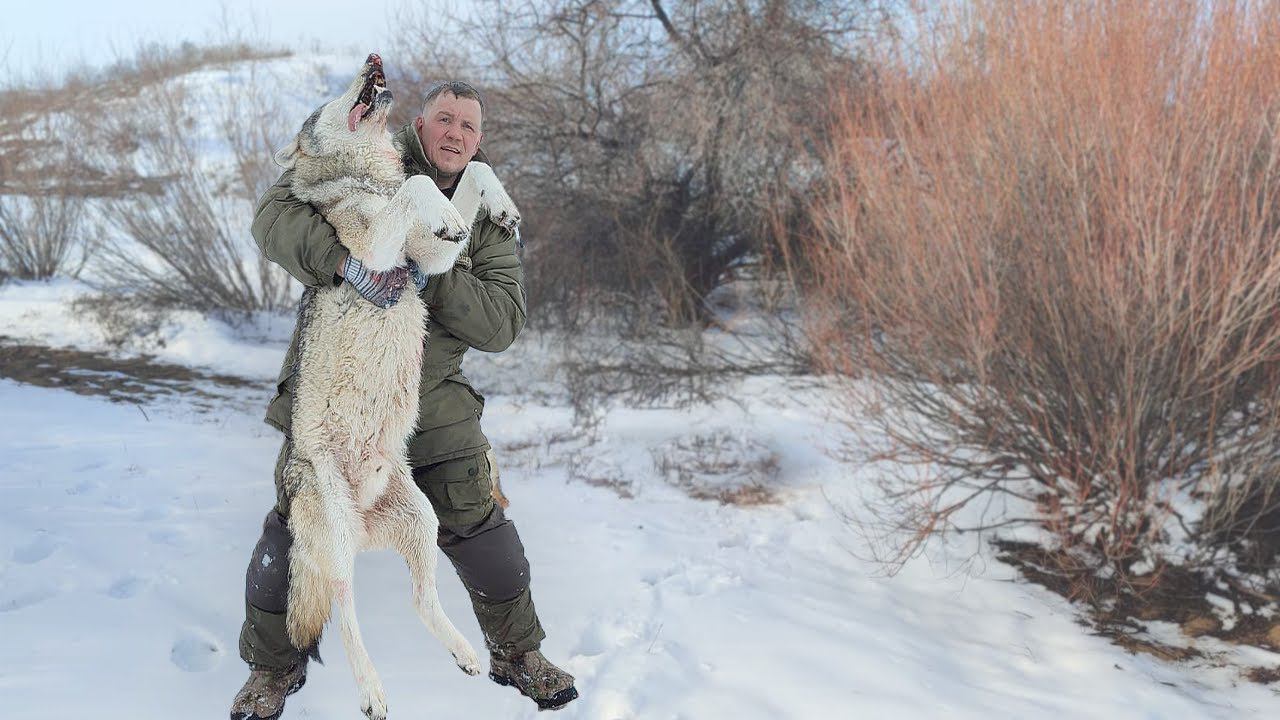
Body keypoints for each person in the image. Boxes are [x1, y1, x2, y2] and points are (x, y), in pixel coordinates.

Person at [230, 81, 578, 720]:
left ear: (479, 140)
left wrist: (427, 272)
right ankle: (270, 670)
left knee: (480, 525)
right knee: (295, 528)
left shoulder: (489, 216)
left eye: (467, 126)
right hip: (337, 393)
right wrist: (347, 263)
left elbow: (501, 323)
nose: (455, 133)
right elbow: (273, 217)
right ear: (419, 125)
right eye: (444, 119)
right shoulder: (368, 157)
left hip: (430, 401)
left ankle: (518, 654)